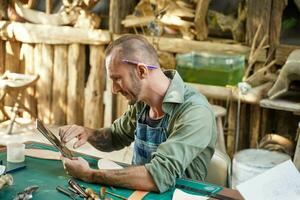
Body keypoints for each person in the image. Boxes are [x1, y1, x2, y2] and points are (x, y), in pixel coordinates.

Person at [59, 34, 217, 193]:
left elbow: (158, 175)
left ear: (142, 71)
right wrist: (87, 133)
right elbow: (115, 137)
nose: (114, 89)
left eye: (117, 79)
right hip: (138, 193)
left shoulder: (195, 111)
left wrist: (90, 175)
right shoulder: (142, 103)